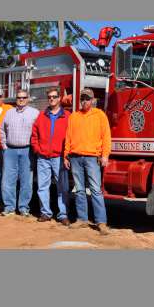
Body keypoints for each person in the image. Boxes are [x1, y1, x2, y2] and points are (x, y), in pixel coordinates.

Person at [64, 88, 111, 235]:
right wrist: (66, 155)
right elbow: (68, 137)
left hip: (92, 158)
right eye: (82, 98)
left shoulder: (100, 115)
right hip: (75, 157)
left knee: (96, 190)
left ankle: (101, 222)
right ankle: (82, 219)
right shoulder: (74, 117)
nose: (85, 101)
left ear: (92, 100)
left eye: (87, 98)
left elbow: (106, 137)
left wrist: (105, 155)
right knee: (79, 190)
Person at [31, 87, 71, 225]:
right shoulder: (41, 116)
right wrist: (37, 149)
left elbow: (71, 136)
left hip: (59, 157)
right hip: (43, 158)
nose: (52, 99)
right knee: (42, 187)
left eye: (54, 96)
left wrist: (66, 154)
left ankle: (63, 215)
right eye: (49, 97)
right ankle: (46, 213)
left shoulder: (67, 116)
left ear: (59, 98)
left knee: (63, 187)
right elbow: (34, 134)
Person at [0, 89, 39, 217]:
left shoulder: (35, 113)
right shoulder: (9, 113)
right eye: (18, 97)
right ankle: (9, 207)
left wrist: (35, 148)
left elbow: (38, 132)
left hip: (27, 150)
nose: (21, 99)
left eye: (23, 97)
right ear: (16, 99)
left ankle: (23, 208)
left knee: (26, 180)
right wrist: (4, 145)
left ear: (27, 99)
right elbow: (2, 130)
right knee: (8, 180)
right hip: (10, 150)